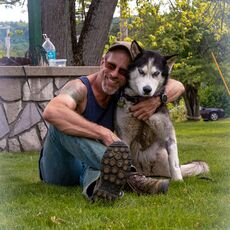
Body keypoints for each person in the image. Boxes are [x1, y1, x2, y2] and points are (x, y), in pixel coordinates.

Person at [39, 41, 185, 201]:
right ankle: (131, 177)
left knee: (109, 161)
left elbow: (178, 86)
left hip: (95, 163)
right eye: (110, 65)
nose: (114, 74)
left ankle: (97, 190)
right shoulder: (80, 88)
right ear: (102, 62)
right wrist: (103, 133)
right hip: (61, 168)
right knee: (59, 125)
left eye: (122, 71)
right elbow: (52, 111)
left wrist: (157, 100)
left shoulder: (122, 93)